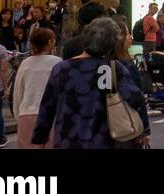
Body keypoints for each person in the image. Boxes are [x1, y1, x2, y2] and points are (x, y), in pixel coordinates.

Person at [32, 17, 149, 149]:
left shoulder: (62, 69)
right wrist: (145, 131)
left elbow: (47, 109)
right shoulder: (114, 68)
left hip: (68, 140)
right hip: (104, 139)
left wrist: (39, 141)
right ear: (112, 44)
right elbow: (136, 100)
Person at [11, 27, 61, 148]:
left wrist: (18, 115)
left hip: (26, 114)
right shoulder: (58, 62)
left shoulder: (25, 63)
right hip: (51, 116)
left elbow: (18, 91)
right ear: (50, 42)